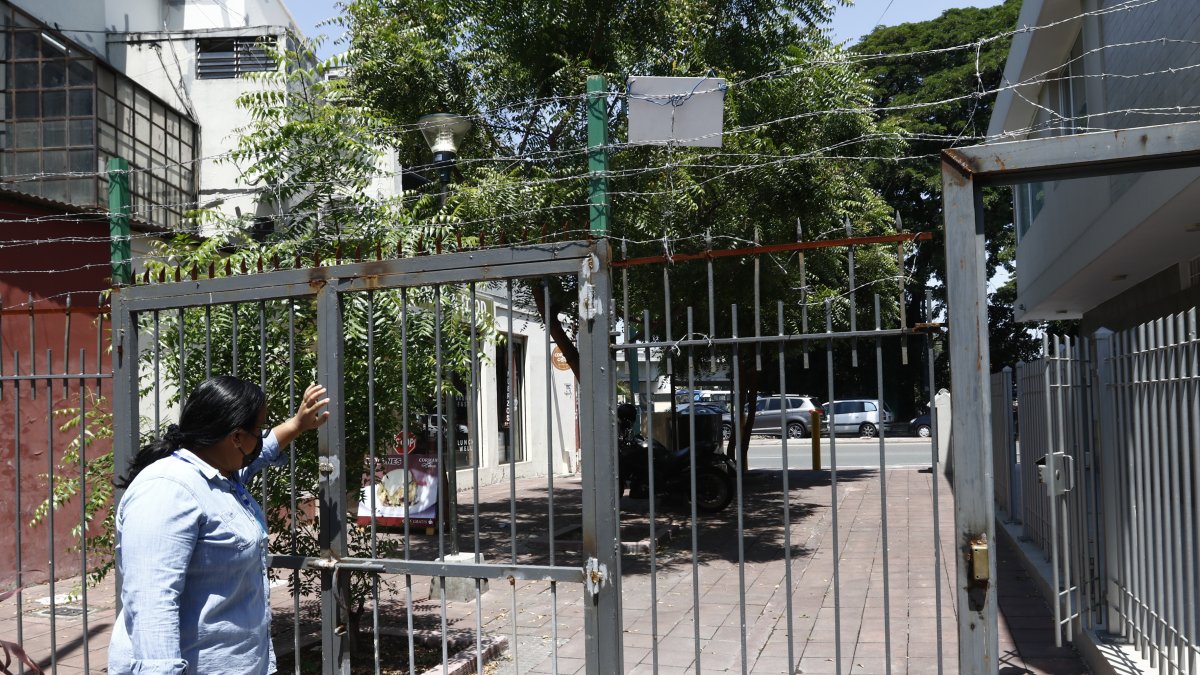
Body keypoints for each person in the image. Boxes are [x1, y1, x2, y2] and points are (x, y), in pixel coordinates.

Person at [107, 376, 330, 675]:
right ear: (236, 438)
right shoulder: (167, 490)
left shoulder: (219, 475)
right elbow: (152, 604)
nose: (261, 441)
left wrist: (297, 424)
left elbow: (259, 453)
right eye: (257, 431)